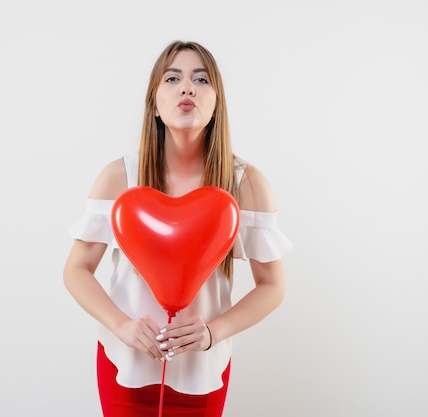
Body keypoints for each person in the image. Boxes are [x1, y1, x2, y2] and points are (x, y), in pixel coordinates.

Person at [63, 40, 292, 417]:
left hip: (203, 370)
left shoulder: (246, 184)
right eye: (173, 78)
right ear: (154, 103)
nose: (187, 87)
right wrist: (121, 326)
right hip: (125, 366)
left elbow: (273, 286)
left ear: (217, 102)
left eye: (201, 79)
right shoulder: (120, 177)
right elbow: (76, 270)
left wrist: (211, 333)